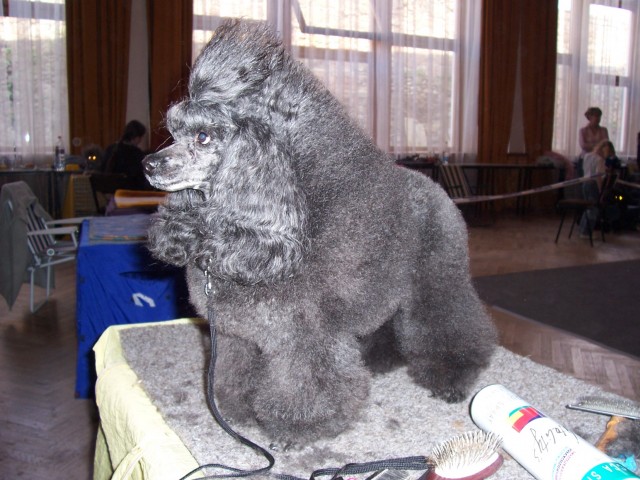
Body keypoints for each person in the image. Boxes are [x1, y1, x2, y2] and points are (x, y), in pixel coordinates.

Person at [579, 139, 617, 237]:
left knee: (588, 207)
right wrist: (601, 190)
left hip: (585, 184)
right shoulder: (600, 160)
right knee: (594, 209)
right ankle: (586, 232)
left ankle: (582, 229)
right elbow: (598, 176)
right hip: (593, 185)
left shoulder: (587, 155)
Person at [103, 120, 151, 189]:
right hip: (129, 191)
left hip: (110, 190)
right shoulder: (136, 153)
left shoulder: (111, 148)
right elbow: (139, 177)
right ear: (136, 137)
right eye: (140, 137)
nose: (140, 140)